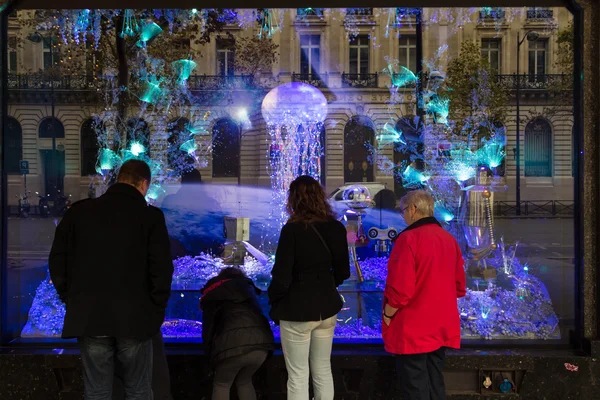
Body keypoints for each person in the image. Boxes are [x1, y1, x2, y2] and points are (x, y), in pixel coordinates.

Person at [49, 159, 174, 399]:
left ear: (119, 179)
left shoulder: (79, 212)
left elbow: (57, 261)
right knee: (138, 390)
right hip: (135, 319)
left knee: (96, 391)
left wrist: (71, 298)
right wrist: (155, 309)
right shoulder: (150, 217)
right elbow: (161, 270)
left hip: (90, 316)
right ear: (144, 184)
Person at [268, 175, 351, 400]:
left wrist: (274, 300)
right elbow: (344, 272)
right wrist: (324, 285)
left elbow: (282, 275)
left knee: (297, 374)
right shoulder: (336, 228)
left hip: (297, 312)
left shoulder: (292, 230)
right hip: (327, 309)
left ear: (294, 199)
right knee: (323, 369)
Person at [382, 190, 466, 400]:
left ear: (413, 209)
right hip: (441, 326)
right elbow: (459, 287)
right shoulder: (449, 240)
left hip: (413, 329)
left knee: (415, 387)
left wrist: (387, 314)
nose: (403, 216)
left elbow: (401, 290)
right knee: (435, 382)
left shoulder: (408, 239)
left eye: (403, 211)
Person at [200, 267, 274, 400]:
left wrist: (208, 355)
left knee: (222, 384)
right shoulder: (248, 290)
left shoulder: (214, 295)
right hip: (262, 346)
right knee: (244, 381)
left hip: (232, 347)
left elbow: (208, 329)